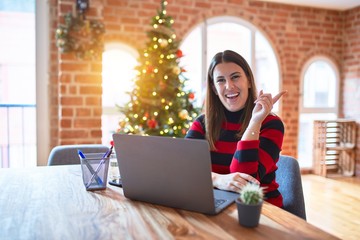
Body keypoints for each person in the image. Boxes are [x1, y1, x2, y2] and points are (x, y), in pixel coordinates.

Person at [185, 50, 287, 207]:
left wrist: (255, 122)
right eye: (220, 80)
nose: (229, 86)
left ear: (249, 81)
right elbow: (184, 169)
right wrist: (218, 180)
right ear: (213, 88)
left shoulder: (271, 124)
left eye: (235, 77)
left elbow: (246, 180)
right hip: (213, 204)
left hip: (261, 208)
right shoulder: (202, 124)